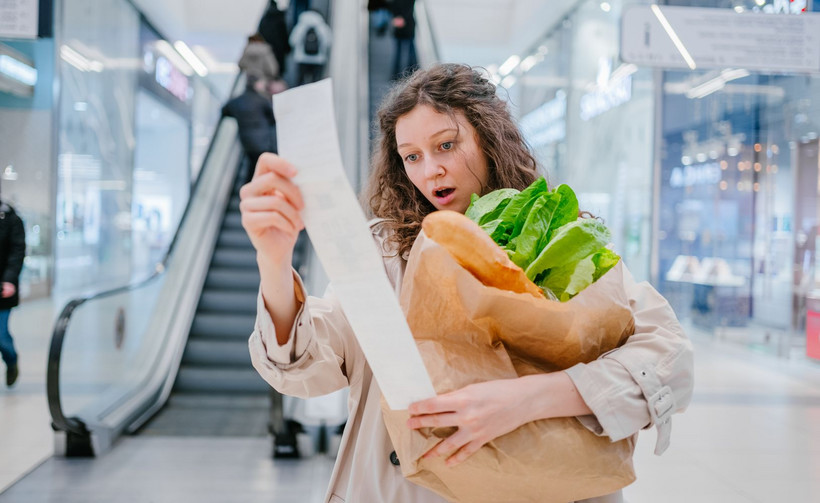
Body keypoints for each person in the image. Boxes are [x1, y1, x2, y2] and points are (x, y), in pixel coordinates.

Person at [242, 64, 694, 502]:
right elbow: (309, 364)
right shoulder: (384, 252)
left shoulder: (559, 235)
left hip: (538, 487)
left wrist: (528, 399)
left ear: (489, 139)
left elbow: (669, 359)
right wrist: (274, 261)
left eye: (446, 145)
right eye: (412, 156)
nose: (430, 170)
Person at [221, 74, 277, 183]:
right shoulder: (261, 100)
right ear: (256, 84)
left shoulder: (237, 101)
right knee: (262, 164)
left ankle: (249, 188)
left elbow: (224, 111)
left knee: (252, 164)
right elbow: (273, 118)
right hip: (262, 140)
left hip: (246, 141)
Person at [0, 198, 25, 388]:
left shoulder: (10, 218)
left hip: (2, 289)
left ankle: (11, 360)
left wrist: (9, 280)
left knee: (0, 336)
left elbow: (17, 252)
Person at [288, 9, 332, 85]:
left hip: (302, 59)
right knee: (316, 84)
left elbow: (293, 41)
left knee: (300, 83)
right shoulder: (322, 26)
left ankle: (300, 96)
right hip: (318, 60)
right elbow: (328, 42)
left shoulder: (301, 25)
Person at [257, 0, 291, 73]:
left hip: (266, 49)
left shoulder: (264, 19)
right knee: (277, 71)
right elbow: (283, 35)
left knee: (267, 70)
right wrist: (287, 48)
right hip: (278, 49)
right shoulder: (279, 19)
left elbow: (260, 34)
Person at [389, 0, 417, 80]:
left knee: (402, 51)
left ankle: (397, 74)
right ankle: (411, 72)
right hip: (406, 26)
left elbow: (393, 7)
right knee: (409, 51)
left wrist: (398, 18)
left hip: (403, 26)